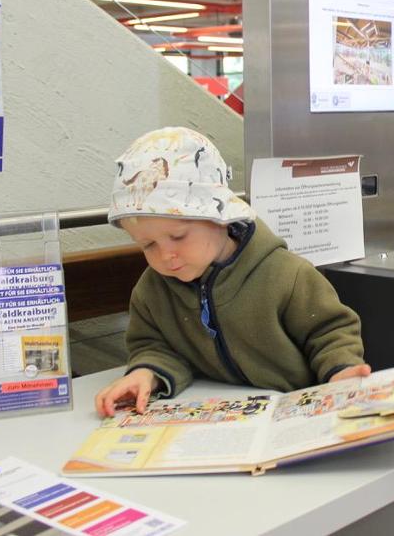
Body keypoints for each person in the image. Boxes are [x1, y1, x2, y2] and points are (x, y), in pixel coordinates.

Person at [94, 127, 370, 417]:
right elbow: (154, 345)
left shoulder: (287, 275)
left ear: (221, 218)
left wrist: (341, 370)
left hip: (297, 414)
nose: (166, 255)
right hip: (214, 419)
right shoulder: (152, 290)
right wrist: (145, 373)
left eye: (178, 237)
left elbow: (330, 332)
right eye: (148, 244)